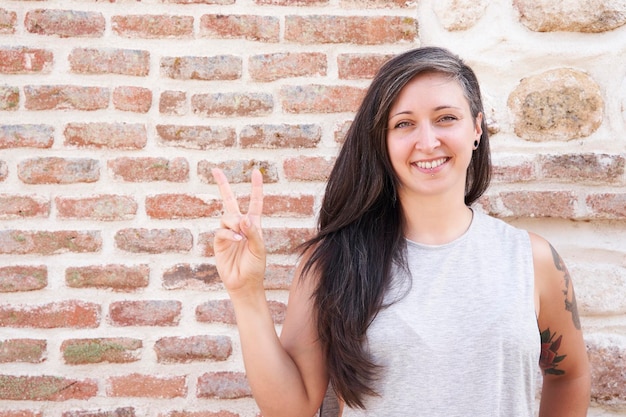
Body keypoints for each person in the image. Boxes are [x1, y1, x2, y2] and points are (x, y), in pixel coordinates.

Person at [211, 46, 591, 417]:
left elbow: (569, 375)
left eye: (446, 118)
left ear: (476, 128)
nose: (427, 142)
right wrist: (245, 294)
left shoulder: (532, 260)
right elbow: (290, 409)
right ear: (383, 141)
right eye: (404, 123)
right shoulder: (332, 262)